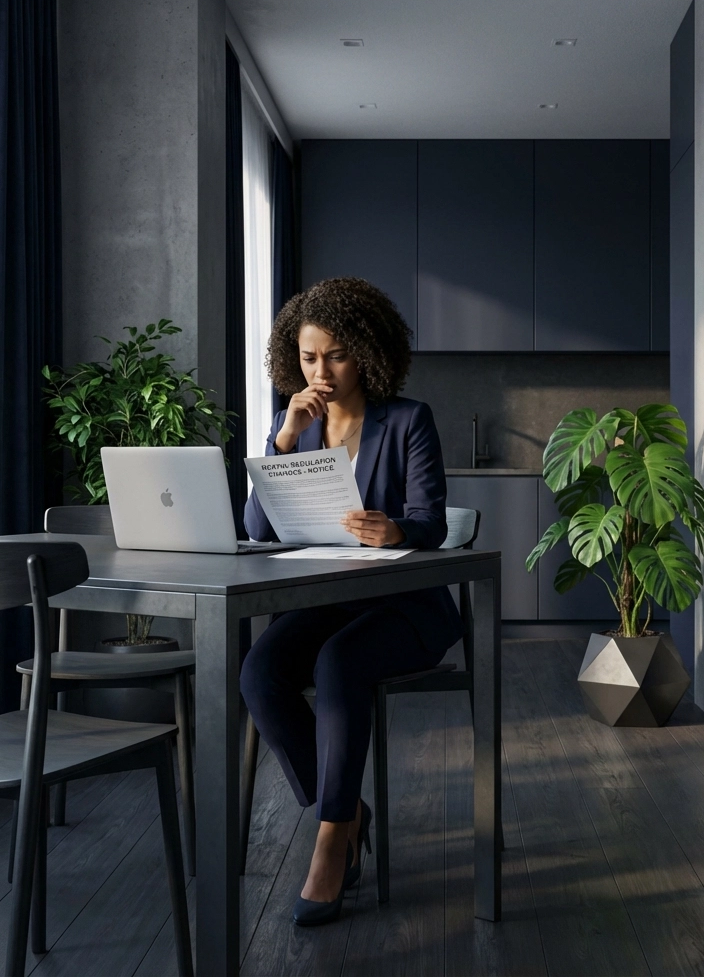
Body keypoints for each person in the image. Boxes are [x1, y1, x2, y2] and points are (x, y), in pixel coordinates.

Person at [240, 276, 462, 927]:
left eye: (335, 355)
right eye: (308, 358)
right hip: (328, 598)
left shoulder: (407, 421)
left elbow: (432, 522)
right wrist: (281, 440)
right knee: (260, 672)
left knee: (340, 664)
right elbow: (256, 529)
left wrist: (398, 530)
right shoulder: (294, 426)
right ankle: (344, 805)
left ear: (365, 350)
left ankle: (333, 835)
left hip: (405, 604)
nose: (322, 371)